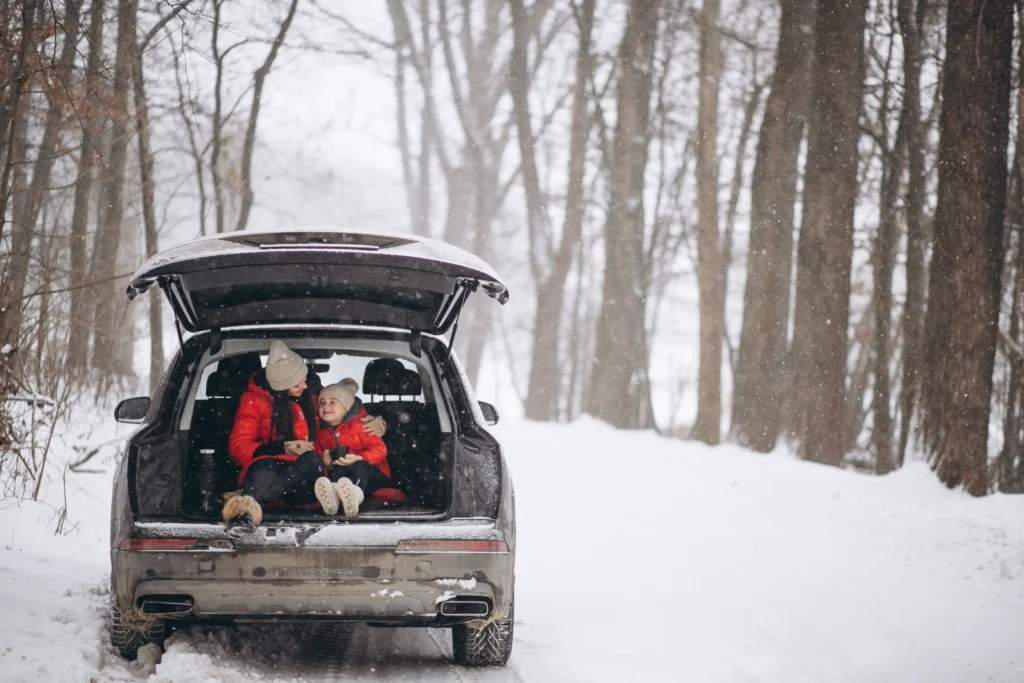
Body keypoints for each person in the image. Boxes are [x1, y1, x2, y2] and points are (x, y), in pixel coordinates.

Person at [221, 340, 384, 530]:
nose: (305, 386)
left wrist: (378, 420)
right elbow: (238, 447)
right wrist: (281, 448)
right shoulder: (253, 401)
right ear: (282, 386)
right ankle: (243, 517)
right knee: (264, 464)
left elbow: (343, 408)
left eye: (305, 378)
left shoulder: (314, 395)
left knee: (312, 459)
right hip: (266, 473)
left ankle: (247, 501)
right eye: (298, 383)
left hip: (306, 480)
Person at [313, 379, 392, 517]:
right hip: (345, 477)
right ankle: (335, 498)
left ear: (346, 407)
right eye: (322, 403)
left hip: (374, 476)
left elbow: (380, 450)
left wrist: (361, 457)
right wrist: (323, 457)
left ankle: (355, 494)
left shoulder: (362, 425)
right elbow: (317, 449)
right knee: (336, 469)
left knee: (359, 466)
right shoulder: (322, 432)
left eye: (333, 402)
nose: (326, 407)